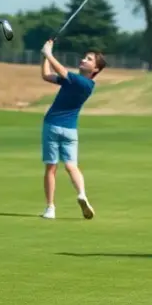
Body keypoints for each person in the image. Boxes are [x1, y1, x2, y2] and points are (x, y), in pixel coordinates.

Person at [39, 39, 106, 220]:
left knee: (51, 168)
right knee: (71, 166)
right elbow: (46, 75)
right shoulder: (77, 82)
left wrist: (49, 54)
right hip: (70, 131)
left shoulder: (82, 83)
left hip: (52, 126)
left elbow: (60, 71)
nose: (84, 60)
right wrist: (44, 56)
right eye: (85, 57)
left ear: (95, 70)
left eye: (89, 59)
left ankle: (50, 208)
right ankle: (82, 194)